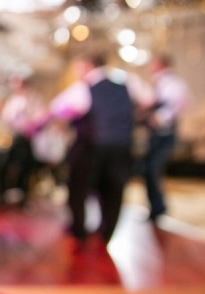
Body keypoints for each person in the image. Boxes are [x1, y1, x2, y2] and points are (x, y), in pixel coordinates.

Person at [47, 53, 154, 248]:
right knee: (114, 191)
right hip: (122, 145)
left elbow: (58, 107)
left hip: (91, 147)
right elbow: (149, 100)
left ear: (87, 66)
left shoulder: (84, 87)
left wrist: (72, 121)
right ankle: (106, 234)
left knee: (78, 189)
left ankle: (79, 230)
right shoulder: (128, 82)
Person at [141, 54, 192, 221]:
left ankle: (158, 208)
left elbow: (180, 103)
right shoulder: (159, 82)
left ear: (161, 64)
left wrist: (160, 118)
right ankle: (156, 207)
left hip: (165, 135)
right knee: (148, 170)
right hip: (155, 134)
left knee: (153, 169)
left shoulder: (173, 83)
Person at [0, 74, 44, 206]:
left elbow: (39, 117)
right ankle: (3, 194)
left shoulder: (33, 98)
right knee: (3, 164)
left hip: (27, 137)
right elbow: (7, 118)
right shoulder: (13, 100)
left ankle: (24, 196)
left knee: (26, 168)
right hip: (15, 136)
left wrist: (31, 126)